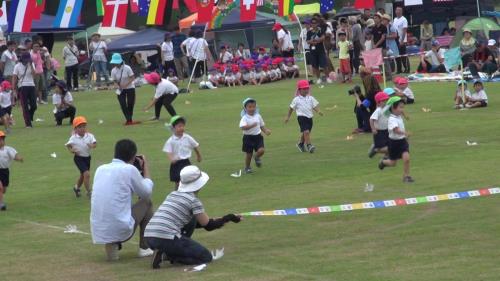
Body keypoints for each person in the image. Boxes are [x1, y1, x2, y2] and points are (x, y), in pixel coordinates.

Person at [145, 165, 242, 269]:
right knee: (206, 257)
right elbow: (208, 225)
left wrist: (220, 219)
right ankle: (167, 255)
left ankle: (165, 251)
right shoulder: (193, 200)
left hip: (149, 236)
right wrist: (230, 217)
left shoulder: (172, 194)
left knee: (192, 221)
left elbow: (197, 222)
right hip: (167, 238)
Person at [90, 139, 155, 261]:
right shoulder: (129, 169)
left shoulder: (100, 169)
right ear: (133, 156)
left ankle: (113, 245)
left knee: (117, 207)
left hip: (99, 229)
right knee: (147, 202)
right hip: (120, 226)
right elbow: (146, 193)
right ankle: (144, 247)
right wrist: (145, 168)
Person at [379, 97, 414, 183]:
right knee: (393, 163)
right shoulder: (392, 119)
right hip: (393, 143)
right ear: (393, 108)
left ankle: (406, 176)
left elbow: (401, 111)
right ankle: (383, 162)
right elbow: (396, 130)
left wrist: (405, 116)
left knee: (407, 159)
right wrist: (405, 133)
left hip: (402, 142)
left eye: (403, 107)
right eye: (400, 107)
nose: (402, 109)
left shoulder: (398, 114)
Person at [163, 115, 202, 189]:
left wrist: (199, 156)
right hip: (176, 164)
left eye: (183, 126)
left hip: (186, 162)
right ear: (173, 128)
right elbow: (168, 151)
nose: (182, 128)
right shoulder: (171, 140)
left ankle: (188, 193)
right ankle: (176, 194)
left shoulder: (187, 137)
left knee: (188, 180)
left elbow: (195, 146)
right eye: (179, 126)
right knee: (178, 181)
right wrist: (172, 159)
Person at [284, 80, 323, 153]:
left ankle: (301, 144)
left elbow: (314, 106)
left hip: (310, 117)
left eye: (307, 88)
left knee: (306, 132)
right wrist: (287, 117)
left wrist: (318, 111)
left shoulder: (310, 98)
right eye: (304, 89)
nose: (306, 90)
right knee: (306, 132)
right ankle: (309, 145)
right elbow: (291, 108)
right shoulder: (296, 99)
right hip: (301, 117)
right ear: (299, 90)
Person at [66, 116, 97, 198]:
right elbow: (68, 145)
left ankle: (76, 188)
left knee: (83, 176)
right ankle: (89, 192)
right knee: (87, 174)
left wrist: (92, 145)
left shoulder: (90, 136)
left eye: (84, 126)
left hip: (87, 158)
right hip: (78, 158)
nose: (82, 128)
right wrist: (72, 150)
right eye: (80, 127)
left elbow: (95, 144)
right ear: (75, 129)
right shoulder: (73, 138)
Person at [239, 98, 271, 174]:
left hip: (258, 137)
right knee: (249, 154)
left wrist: (266, 131)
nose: (252, 109)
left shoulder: (258, 116)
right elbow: (242, 127)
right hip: (248, 138)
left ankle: (256, 156)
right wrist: (251, 126)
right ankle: (247, 167)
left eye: (253, 107)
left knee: (261, 150)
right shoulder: (245, 118)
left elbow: (261, 125)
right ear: (245, 108)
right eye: (249, 107)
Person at [110, 53, 139, 126]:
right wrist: (117, 85)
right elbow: (114, 80)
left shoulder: (127, 68)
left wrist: (125, 85)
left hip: (130, 88)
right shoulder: (113, 70)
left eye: (116, 62)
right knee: (123, 104)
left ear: (120, 61)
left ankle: (129, 119)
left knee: (130, 103)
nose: (115, 64)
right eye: (114, 62)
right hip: (120, 90)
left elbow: (132, 77)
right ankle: (129, 120)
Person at [0, 130, 23, 211]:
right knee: (0, 187)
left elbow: (15, 156)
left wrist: (19, 158)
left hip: (5, 171)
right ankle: (1, 204)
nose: (1, 141)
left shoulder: (8, 149)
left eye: (2, 139)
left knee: (4, 189)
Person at [13, 52, 37, 128]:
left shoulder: (31, 64)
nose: (27, 61)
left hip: (31, 85)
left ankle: (29, 116)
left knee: (34, 105)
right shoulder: (17, 66)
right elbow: (14, 78)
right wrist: (14, 89)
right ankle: (28, 123)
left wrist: (31, 65)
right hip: (22, 86)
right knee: (25, 106)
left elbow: (34, 76)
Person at [368, 92, 390, 158]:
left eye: (386, 100)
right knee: (384, 147)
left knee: (389, 145)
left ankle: (386, 157)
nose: (385, 102)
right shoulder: (378, 110)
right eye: (384, 101)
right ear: (378, 102)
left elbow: (388, 117)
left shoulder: (386, 108)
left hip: (387, 130)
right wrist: (373, 129)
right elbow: (371, 119)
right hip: (379, 132)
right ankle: (376, 149)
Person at [307, 18, 327, 85]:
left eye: (315, 23)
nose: (313, 24)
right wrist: (312, 42)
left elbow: (323, 38)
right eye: (312, 23)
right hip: (313, 51)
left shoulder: (321, 30)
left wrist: (316, 41)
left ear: (317, 23)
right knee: (315, 66)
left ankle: (327, 78)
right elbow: (307, 41)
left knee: (324, 65)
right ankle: (318, 78)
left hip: (321, 50)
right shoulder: (309, 32)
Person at [373, 13, 392, 81]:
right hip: (376, 48)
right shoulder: (374, 27)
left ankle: (389, 76)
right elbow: (373, 37)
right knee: (379, 63)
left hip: (382, 47)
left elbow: (383, 38)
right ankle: (383, 75)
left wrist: (376, 45)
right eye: (374, 18)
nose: (375, 19)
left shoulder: (383, 27)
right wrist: (373, 45)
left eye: (376, 18)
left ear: (379, 19)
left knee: (385, 62)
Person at [393, 7, 410, 73]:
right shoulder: (394, 19)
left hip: (402, 40)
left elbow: (404, 30)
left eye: (399, 10)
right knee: (397, 56)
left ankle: (406, 68)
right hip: (396, 40)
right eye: (397, 10)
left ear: (402, 11)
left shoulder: (404, 19)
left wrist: (402, 40)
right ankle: (399, 69)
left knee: (403, 55)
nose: (398, 11)